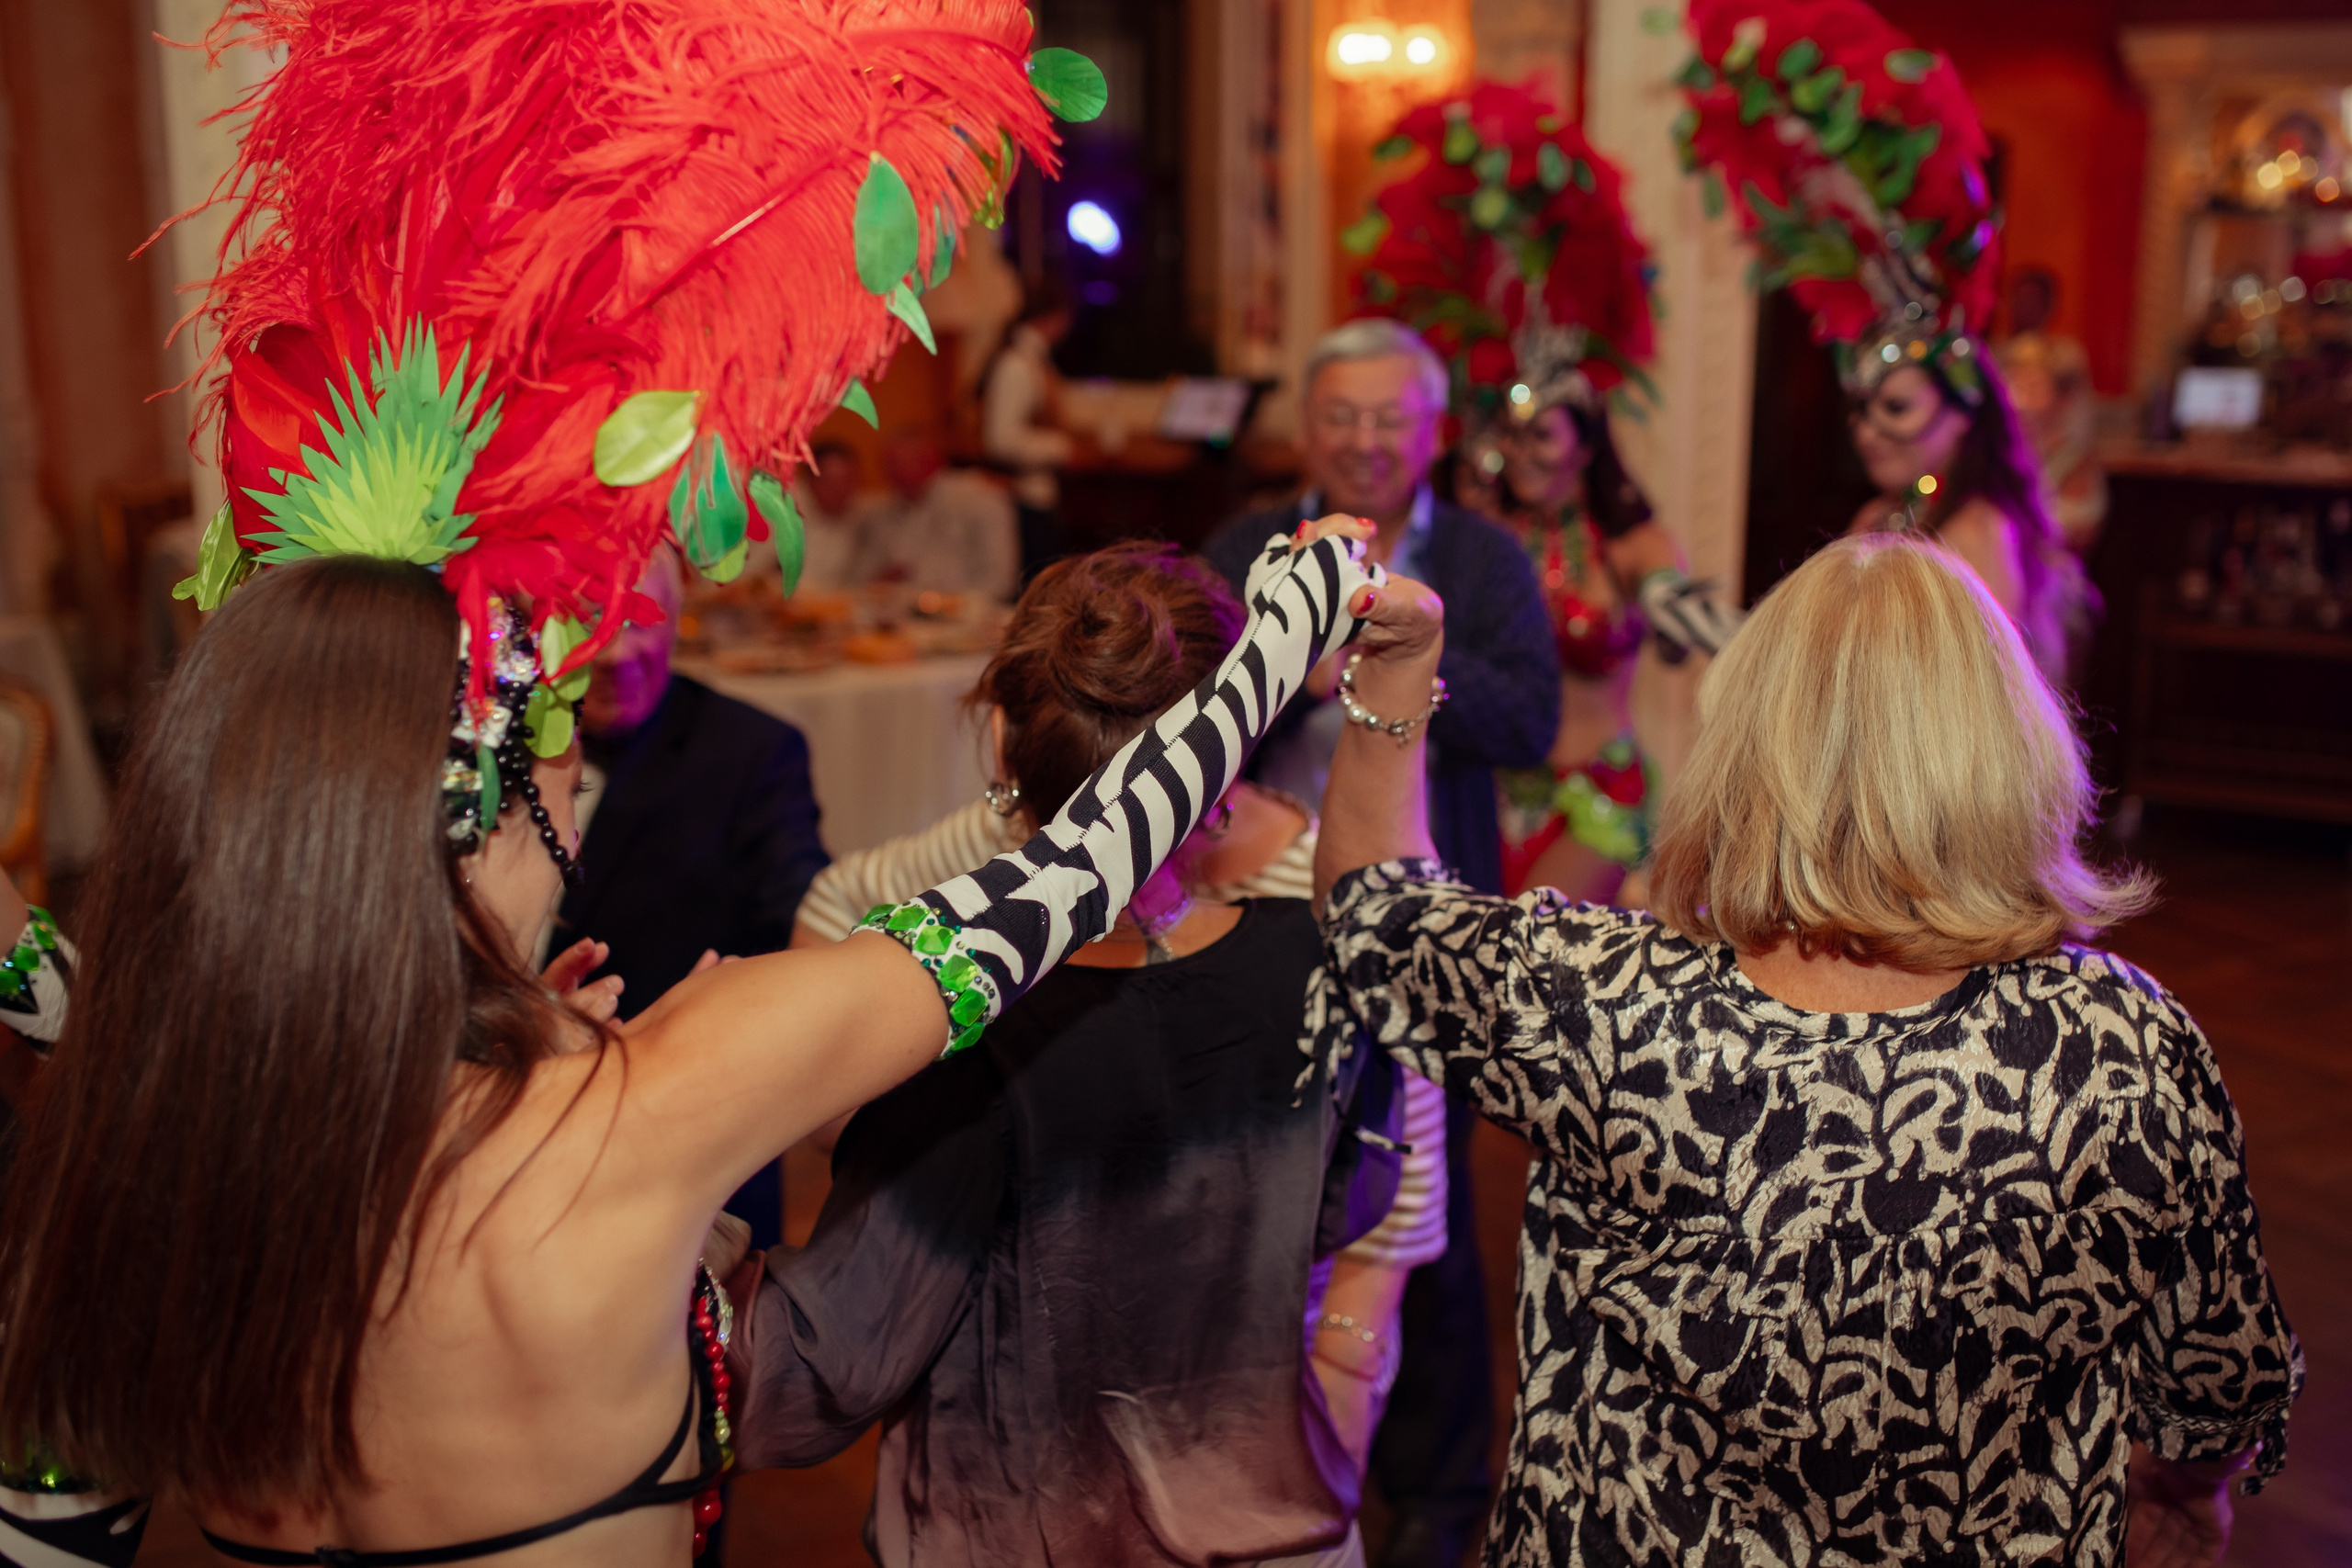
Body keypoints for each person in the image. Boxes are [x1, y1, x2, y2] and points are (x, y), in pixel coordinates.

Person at [0, 5, 1385, 1564]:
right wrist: (1277, 635)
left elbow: (54, 1531)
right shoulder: (659, 1097)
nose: (577, 817)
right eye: (563, 770)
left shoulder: (141, 1154)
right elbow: (1058, 885)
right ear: (472, 818)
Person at [1314, 533, 2302, 1566]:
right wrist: (2180, 1496)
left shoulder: (1600, 1002)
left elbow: (1368, 909)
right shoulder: (2121, 1052)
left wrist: (1395, 660)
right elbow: (2216, 1385)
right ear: (2008, 746)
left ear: (1745, 747)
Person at [731, 541, 1445, 1567]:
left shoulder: (962, 1032)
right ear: (1225, 763)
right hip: (1270, 1526)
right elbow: (1357, 1199)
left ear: (1007, 760)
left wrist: (693, 1160)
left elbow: (824, 1365)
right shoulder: (1319, 959)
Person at [1204, 316, 1557, 1568]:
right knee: (1265, 1194)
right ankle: (1261, 1458)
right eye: (1341, 416)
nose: (1363, 441)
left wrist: (1398, 667)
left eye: (1388, 419)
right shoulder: (1247, 549)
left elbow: (1530, 718)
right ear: (1310, 428)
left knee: (1426, 1207)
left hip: (1418, 922)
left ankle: (1441, 1484)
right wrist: (1268, 681)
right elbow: (1175, 721)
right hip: (1256, 920)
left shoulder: (1483, 553)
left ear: (1431, 433)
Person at [553, 546, 830, 1249]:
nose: (617, 652)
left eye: (642, 621)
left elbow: (798, 912)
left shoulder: (753, 752)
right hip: (533, 1127)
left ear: (680, 623)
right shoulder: (500, 742)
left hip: (692, 1132)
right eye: (595, 619)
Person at [1996, 266, 2108, 555]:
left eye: (2033, 387)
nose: (2018, 399)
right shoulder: (1999, 448)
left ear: (2062, 398)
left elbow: (2081, 526)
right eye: (2014, 385)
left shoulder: (2072, 458)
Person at [981, 277, 1079, 582]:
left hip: (1037, 493)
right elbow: (1000, 439)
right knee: (1031, 584)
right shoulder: (1017, 365)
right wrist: (1059, 448)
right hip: (1022, 494)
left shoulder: (1032, 361)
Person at [862, 426, 1021, 602]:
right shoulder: (889, 510)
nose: (890, 473)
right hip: (913, 615)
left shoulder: (980, 499)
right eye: (887, 464)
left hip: (972, 616)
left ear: (929, 460)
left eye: (896, 463)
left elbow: (1000, 580)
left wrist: (954, 605)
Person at [786, 439, 880, 595]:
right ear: (811, 482)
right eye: (832, 482)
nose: (841, 490)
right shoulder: (782, 513)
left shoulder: (865, 514)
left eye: (848, 481)